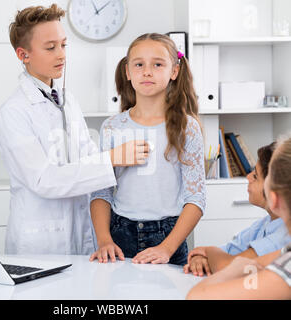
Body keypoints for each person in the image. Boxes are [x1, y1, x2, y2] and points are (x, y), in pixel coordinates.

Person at [0, 5, 149, 255]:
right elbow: (43, 180)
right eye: (50, 47)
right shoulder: (14, 112)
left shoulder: (67, 101)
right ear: (23, 54)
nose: (61, 55)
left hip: (79, 232)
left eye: (63, 45)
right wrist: (112, 159)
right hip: (40, 242)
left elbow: (86, 155)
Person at [89, 33, 205, 266]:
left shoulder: (187, 127)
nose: (147, 71)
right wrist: (104, 240)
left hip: (169, 237)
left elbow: (196, 198)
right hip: (119, 236)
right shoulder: (112, 127)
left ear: (174, 71)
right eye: (139, 64)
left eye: (158, 64)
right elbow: (101, 192)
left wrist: (166, 248)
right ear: (128, 72)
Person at [187, 134, 291, 300]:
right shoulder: (266, 228)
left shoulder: (282, 241)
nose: (248, 177)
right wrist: (207, 256)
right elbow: (227, 253)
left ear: (275, 199)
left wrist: (209, 251)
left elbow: (200, 292)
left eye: (255, 176)